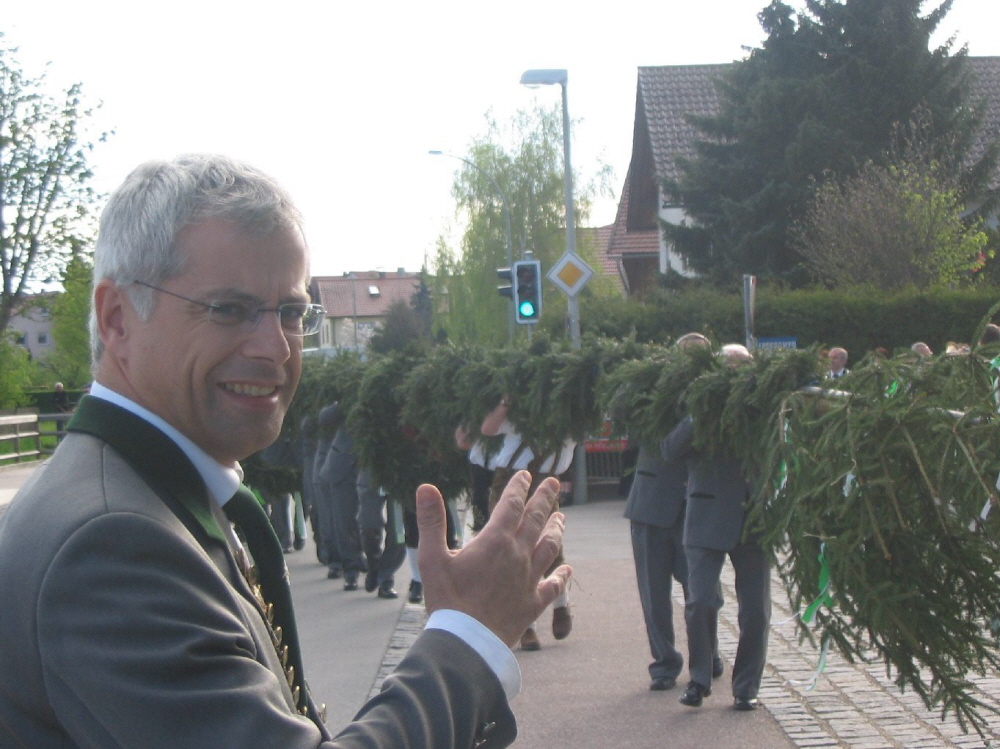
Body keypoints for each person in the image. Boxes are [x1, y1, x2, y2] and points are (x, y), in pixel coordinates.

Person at [0, 154, 570, 748]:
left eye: (292, 313)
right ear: (117, 319)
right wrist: (469, 634)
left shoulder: (139, 490)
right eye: (229, 309)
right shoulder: (112, 543)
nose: (275, 346)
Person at [664, 343, 771, 712]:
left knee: (755, 611)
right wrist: (699, 415)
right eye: (728, 366)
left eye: (742, 367)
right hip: (706, 517)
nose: (735, 373)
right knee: (700, 602)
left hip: (754, 518)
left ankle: (746, 688)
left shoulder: (763, 407)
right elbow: (670, 449)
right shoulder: (696, 403)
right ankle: (699, 680)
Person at [624, 332, 722, 692]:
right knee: (654, 595)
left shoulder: (717, 395)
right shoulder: (653, 389)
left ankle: (709, 653)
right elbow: (635, 421)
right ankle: (665, 664)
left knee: (705, 592)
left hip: (697, 508)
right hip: (651, 504)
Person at [481, 398, 574, 651]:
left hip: (547, 482)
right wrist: (505, 402)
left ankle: (561, 605)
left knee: (550, 546)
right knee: (513, 551)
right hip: (510, 480)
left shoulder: (572, 413)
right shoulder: (518, 410)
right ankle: (526, 627)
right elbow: (487, 429)